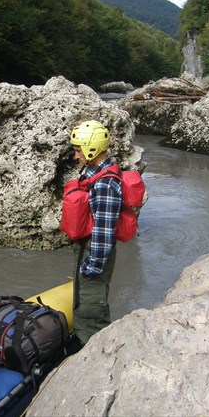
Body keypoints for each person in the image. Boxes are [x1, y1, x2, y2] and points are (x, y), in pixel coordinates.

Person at [68, 120, 122, 346]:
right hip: (89, 250)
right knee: (84, 302)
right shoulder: (94, 174)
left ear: (91, 148)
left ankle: (92, 349)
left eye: (78, 150)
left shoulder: (104, 185)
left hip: (95, 255)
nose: (75, 156)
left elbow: (103, 232)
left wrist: (91, 267)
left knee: (91, 309)